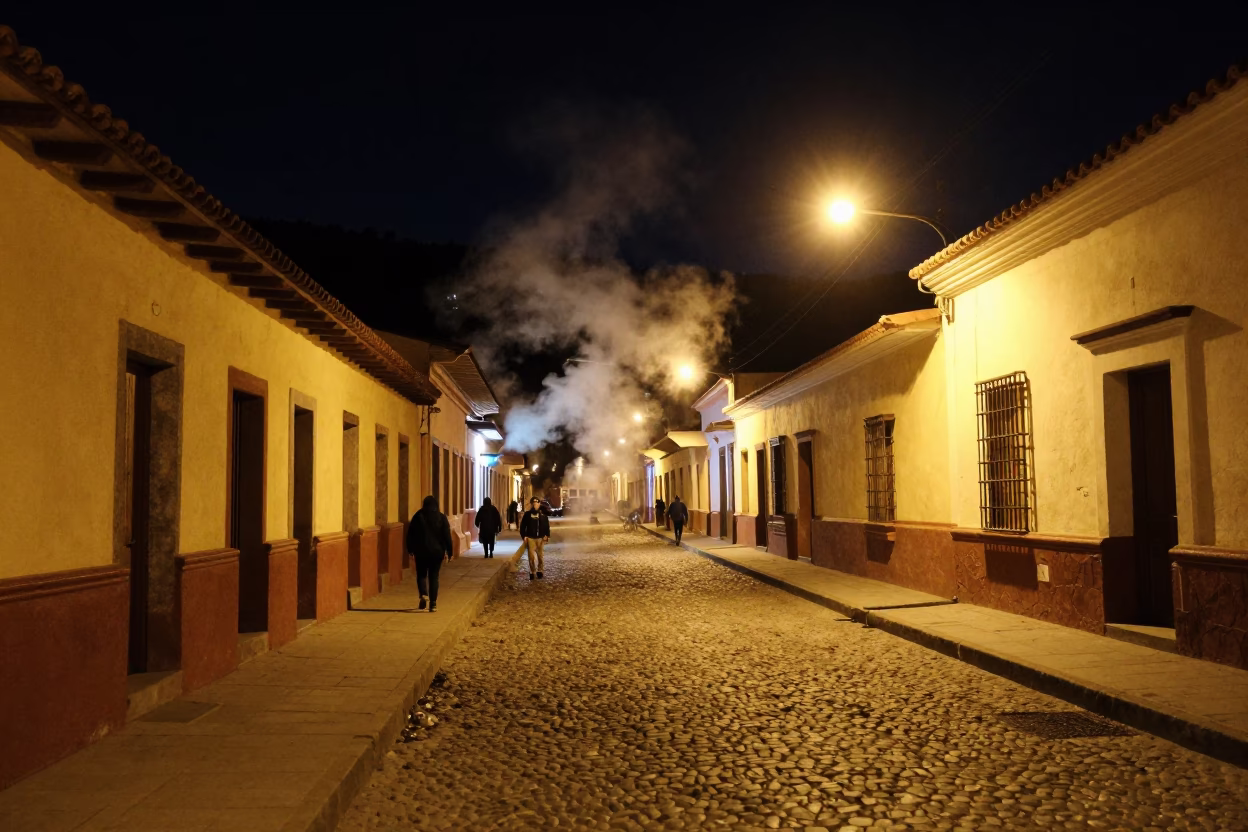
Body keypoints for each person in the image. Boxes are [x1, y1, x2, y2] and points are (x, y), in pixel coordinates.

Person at [406, 495, 453, 612]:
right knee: (434, 576)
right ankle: (433, 604)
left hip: (421, 551)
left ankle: (423, 593)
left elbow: (410, 534)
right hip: (437, 553)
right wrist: (449, 551)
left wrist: (410, 549)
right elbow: (447, 536)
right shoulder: (441, 517)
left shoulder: (418, 516)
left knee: (421, 574)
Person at [519, 495, 551, 580]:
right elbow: (522, 526)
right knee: (531, 557)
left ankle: (540, 570)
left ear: (539, 504)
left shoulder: (543, 515)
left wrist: (547, 535)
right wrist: (524, 536)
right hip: (530, 538)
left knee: (540, 556)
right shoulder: (527, 514)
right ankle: (532, 571)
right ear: (531, 504)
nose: (535, 505)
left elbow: (546, 526)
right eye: (533, 503)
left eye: (536, 503)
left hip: (540, 538)